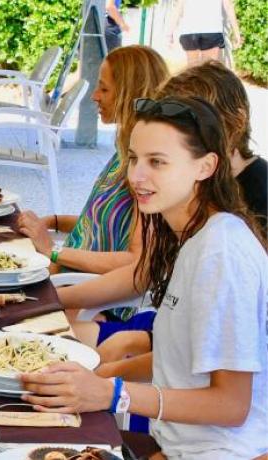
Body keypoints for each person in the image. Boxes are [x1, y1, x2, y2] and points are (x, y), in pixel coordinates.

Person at [22, 96, 267, 459]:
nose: (136, 176)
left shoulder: (221, 252)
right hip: (175, 445)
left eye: (157, 162)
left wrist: (113, 392)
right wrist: (99, 377)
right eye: (134, 158)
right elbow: (183, 360)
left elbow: (231, 404)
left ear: (206, 166)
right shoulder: (194, 237)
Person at [85, 60, 267, 367]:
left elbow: (230, 381)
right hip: (169, 341)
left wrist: (118, 378)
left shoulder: (230, 234)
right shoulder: (184, 198)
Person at [17, 46, 169, 276]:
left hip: (87, 297)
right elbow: (103, 226)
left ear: (130, 95)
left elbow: (136, 260)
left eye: (104, 88)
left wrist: (53, 250)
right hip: (65, 276)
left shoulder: (144, 169)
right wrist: (51, 221)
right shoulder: (124, 152)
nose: (94, 95)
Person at [167, 0, 242, 68]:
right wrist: (237, 33)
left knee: (193, 68)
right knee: (209, 69)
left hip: (190, 30)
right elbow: (228, 6)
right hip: (211, 29)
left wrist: (169, 33)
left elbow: (178, 8)